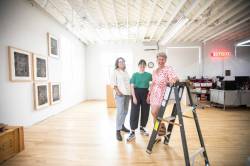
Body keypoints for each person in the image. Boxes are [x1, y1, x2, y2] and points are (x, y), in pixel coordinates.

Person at [147, 52, 178, 122]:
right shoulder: (154, 71)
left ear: (165, 60)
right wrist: (149, 95)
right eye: (159, 59)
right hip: (153, 95)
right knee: (155, 114)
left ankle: (160, 127)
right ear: (157, 60)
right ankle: (157, 131)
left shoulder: (168, 68)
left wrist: (173, 80)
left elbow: (174, 77)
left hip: (162, 94)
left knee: (154, 112)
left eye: (162, 59)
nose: (161, 61)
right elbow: (152, 84)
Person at [127, 59, 152, 142]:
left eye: (143, 65)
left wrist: (149, 96)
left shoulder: (149, 75)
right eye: (140, 65)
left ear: (145, 66)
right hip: (136, 93)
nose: (142, 67)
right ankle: (132, 132)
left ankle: (142, 128)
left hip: (146, 93)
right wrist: (134, 97)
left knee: (145, 111)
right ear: (138, 66)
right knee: (134, 112)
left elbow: (151, 86)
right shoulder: (135, 75)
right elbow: (132, 86)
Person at [111, 57, 131, 141]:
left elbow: (128, 83)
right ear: (117, 63)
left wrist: (131, 93)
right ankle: (117, 130)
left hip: (127, 94)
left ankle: (122, 126)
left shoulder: (126, 72)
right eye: (120, 62)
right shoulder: (115, 72)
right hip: (120, 94)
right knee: (120, 112)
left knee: (125, 111)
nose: (122, 63)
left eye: (123, 61)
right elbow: (113, 83)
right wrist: (117, 91)